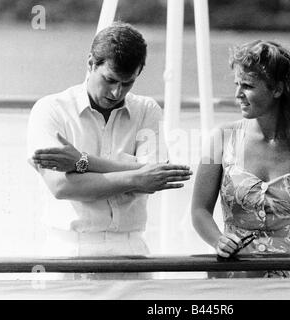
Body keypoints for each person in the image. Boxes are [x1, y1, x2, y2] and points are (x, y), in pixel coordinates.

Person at [27, 22, 192, 260]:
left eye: (127, 83)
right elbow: (61, 187)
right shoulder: (50, 109)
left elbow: (156, 179)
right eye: (110, 79)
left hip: (132, 247)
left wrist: (81, 162)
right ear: (90, 63)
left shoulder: (146, 109)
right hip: (70, 248)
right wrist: (138, 176)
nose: (116, 92)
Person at [191, 40, 290, 276]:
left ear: (277, 89)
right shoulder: (221, 139)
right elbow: (199, 211)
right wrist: (217, 240)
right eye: (237, 84)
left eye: (248, 86)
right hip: (235, 275)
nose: (238, 94)